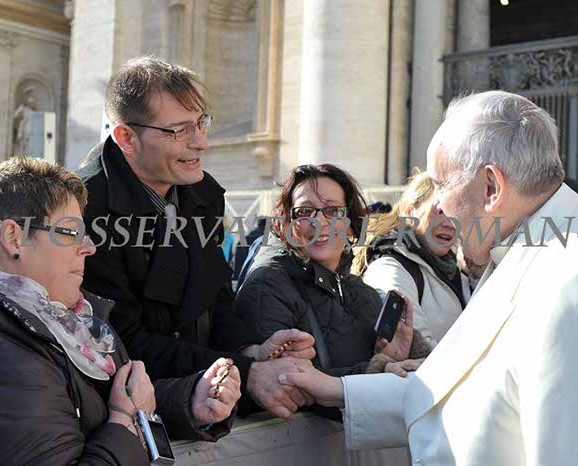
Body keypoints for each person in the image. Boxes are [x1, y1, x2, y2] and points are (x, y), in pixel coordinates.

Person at [278, 91, 578, 465]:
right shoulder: (527, 251)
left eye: (441, 184)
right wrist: (338, 390)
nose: (436, 204)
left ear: (491, 188)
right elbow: (476, 391)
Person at [0, 157, 243, 465]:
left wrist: (190, 399)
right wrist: (125, 419)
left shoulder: (72, 318)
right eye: (70, 232)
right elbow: (115, 414)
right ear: (13, 238)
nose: (89, 247)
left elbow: (104, 402)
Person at [77, 55, 315, 420]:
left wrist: (250, 349)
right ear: (126, 137)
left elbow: (213, 297)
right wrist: (247, 371)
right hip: (138, 412)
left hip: (209, 391)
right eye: (179, 130)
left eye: (201, 123)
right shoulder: (84, 208)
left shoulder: (203, 194)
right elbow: (121, 341)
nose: (201, 142)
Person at [228, 164, 420, 379]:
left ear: (350, 222)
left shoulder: (362, 292)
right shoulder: (267, 284)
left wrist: (393, 359)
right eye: (305, 211)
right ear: (288, 223)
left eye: (333, 210)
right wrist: (377, 372)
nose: (319, 222)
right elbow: (283, 383)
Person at [353, 171, 471, 352]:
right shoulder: (389, 268)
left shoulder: (453, 269)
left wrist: (478, 271)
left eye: (455, 214)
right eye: (440, 211)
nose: (450, 224)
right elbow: (412, 348)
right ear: (410, 213)